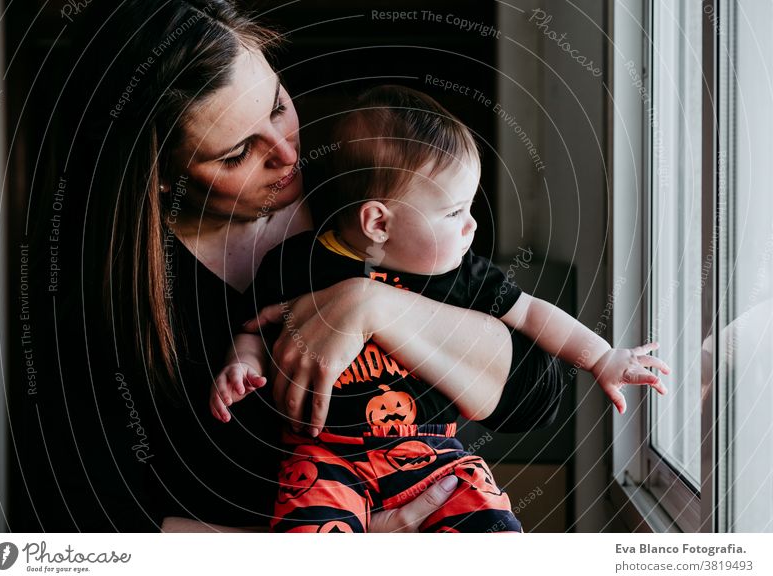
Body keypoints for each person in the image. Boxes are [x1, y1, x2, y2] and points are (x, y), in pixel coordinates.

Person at [21, 0, 564, 533]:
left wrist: (372, 305)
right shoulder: (101, 299)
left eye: (278, 106)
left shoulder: (363, 188)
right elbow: (90, 515)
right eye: (237, 154)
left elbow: (535, 394)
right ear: (160, 175)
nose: (287, 153)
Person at [209, 86, 671, 533]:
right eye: (453, 213)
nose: (472, 225)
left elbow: (531, 314)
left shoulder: (460, 272)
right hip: (323, 459)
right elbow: (255, 328)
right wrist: (240, 364)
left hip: (435, 456)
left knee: (494, 529)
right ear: (378, 222)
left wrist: (602, 357)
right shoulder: (294, 264)